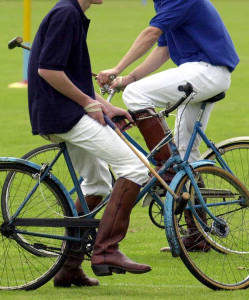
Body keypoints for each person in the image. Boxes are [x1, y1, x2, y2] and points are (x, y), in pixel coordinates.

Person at [27, 0, 152, 288]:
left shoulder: (73, 13)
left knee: (97, 184)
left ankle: (68, 267)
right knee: (134, 168)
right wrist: (87, 103)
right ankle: (107, 251)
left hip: (62, 112)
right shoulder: (66, 14)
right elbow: (48, 70)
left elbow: (74, 76)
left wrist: (103, 105)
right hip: (64, 114)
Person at [97, 0, 239, 251]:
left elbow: (151, 34)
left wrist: (118, 68)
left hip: (206, 71)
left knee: (135, 95)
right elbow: (162, 49)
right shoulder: (164, 3)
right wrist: (127, 78)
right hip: (203, 73)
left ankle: (168, 171)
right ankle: (198, 235)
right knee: (186, 155)